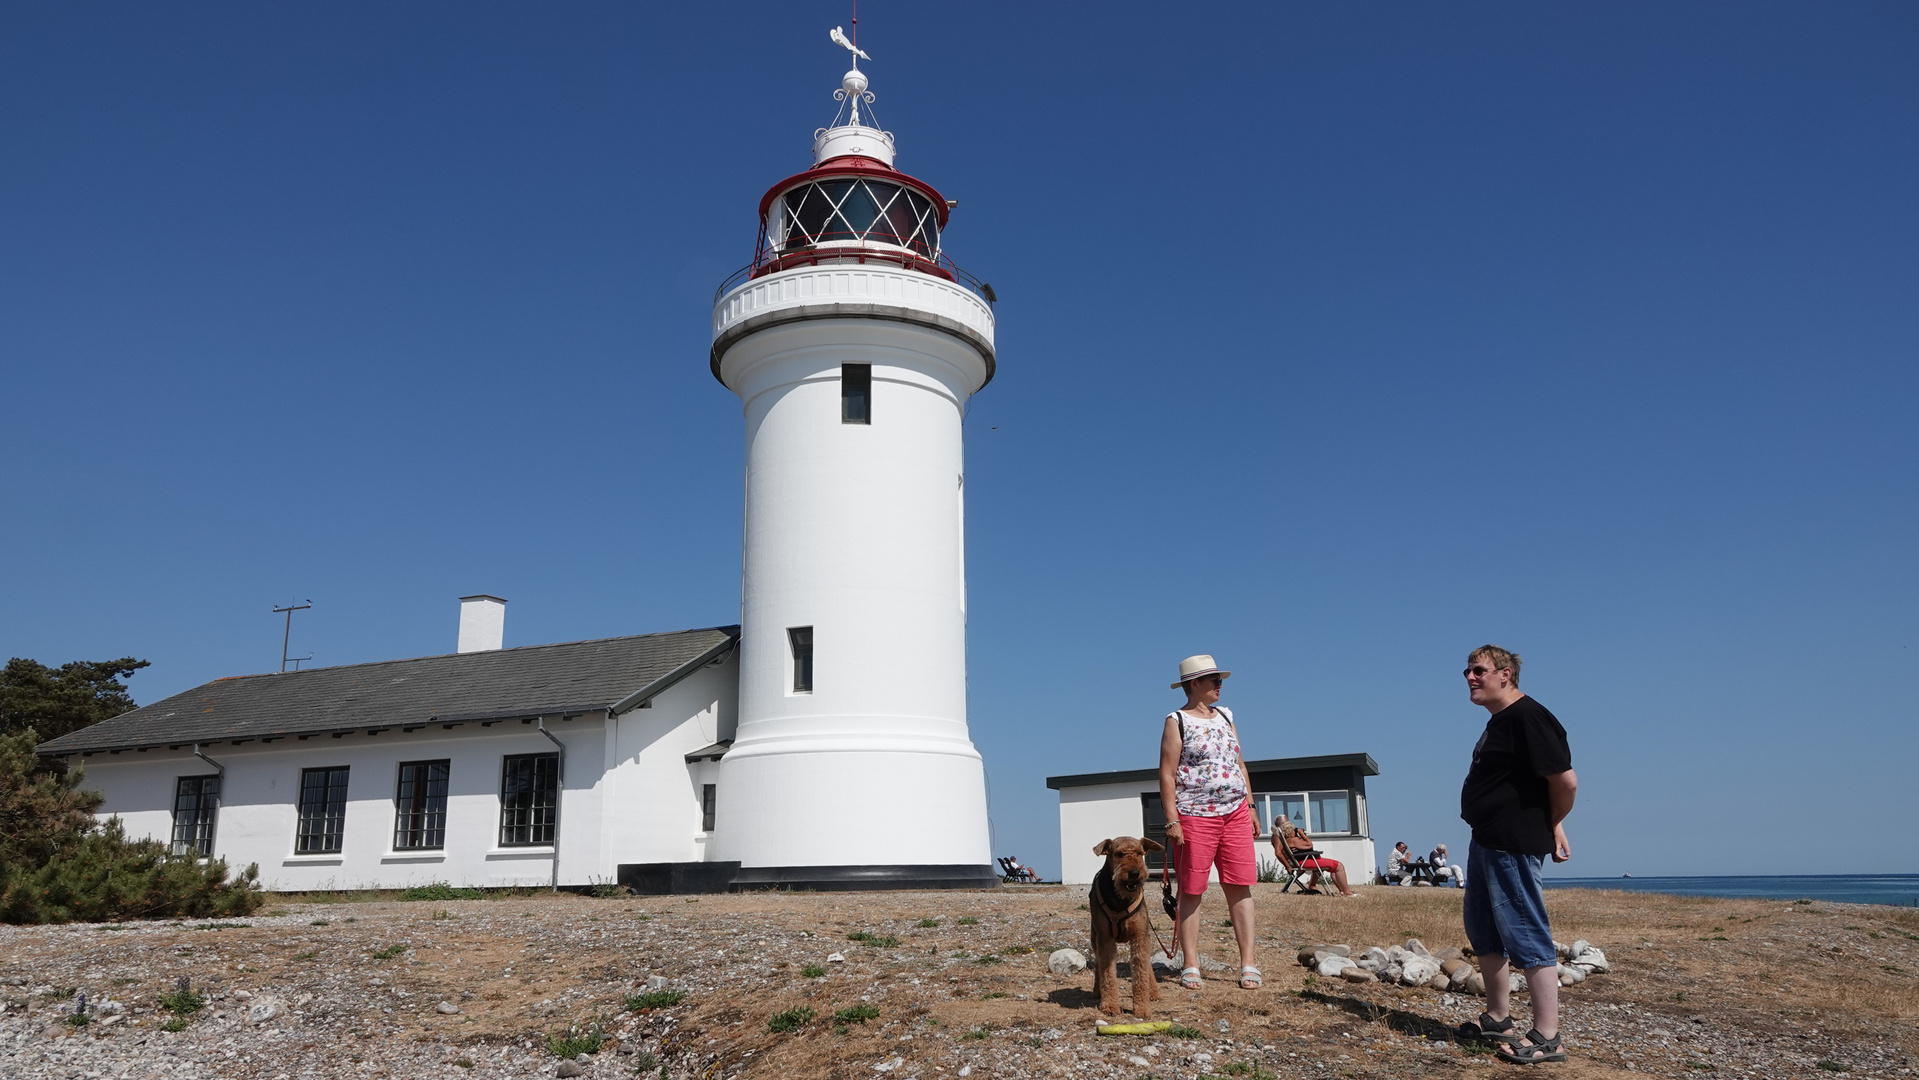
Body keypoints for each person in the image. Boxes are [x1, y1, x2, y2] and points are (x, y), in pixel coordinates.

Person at [1457, 645, 1577, 1065]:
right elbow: (1531, 783)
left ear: (1505, 674)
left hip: (1512, 843)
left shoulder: (1529, 717)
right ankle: (1498, 1017)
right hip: (1486, 839)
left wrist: (1552, 823)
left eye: (1479, 670)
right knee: (1485, 930)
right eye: (1467, 671)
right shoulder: (1501, 721)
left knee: (1525, 932)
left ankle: (1548, 1036)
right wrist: (1555, 822)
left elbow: (1565, 781)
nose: (1470, 677)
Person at [1157, 654, 1261, 991]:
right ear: (1193, 685)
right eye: (1213, 679)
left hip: (1235, 812)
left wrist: (1251, 806)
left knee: (1240, 886)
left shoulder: (1227, 717)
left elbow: (1239, 764)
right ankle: (1190, 964)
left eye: (1219, 679)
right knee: (1192, 889)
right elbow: (1167, 774)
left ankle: (1249, 963)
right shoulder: (1177, 721)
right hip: (1195, 815)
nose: (1219, 685)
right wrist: (1172, 819)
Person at [1272, 815, 1362, 897]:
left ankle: (1341, 890)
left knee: (1331, 868)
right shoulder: (1293, 840)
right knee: (1338, 866)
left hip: (1301, 859)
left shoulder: (1287, 839)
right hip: (1303, 861)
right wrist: (1302, 835)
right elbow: (1310, 845)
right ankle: (1347, 892)